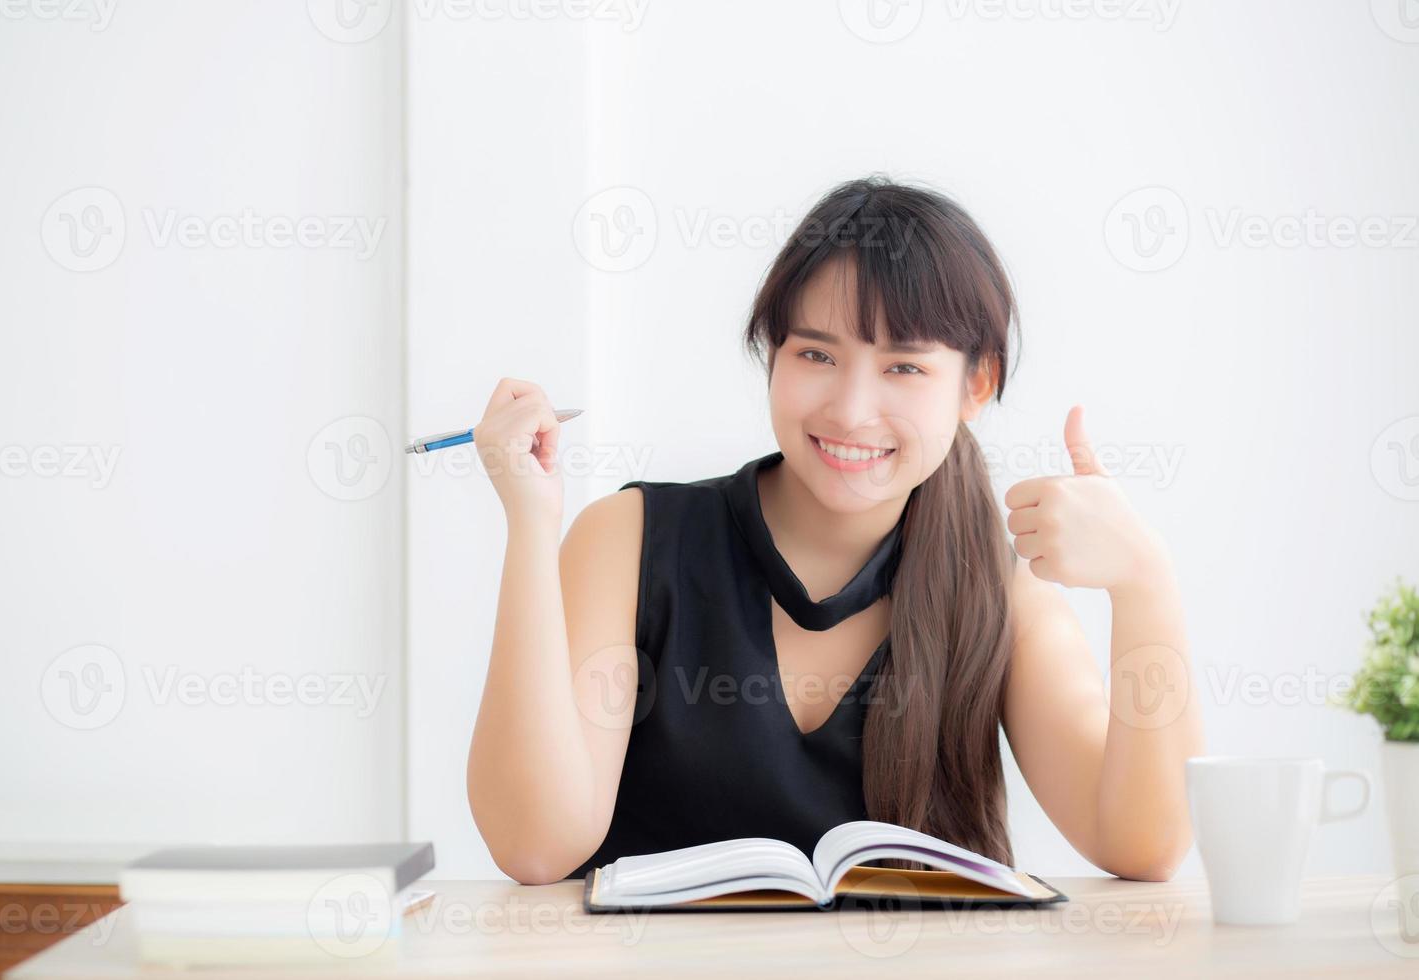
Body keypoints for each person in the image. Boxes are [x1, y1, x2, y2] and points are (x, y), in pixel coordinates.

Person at [466, 175, 1203, 885]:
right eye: (816, 354)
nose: (850, 411)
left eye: (905, 368)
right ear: (772, 355)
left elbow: (1146, 844)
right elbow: (536, 845)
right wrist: (532, 526)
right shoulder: (629, 541)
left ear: (974, 385)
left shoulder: (1002, 594)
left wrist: (1145, 582)